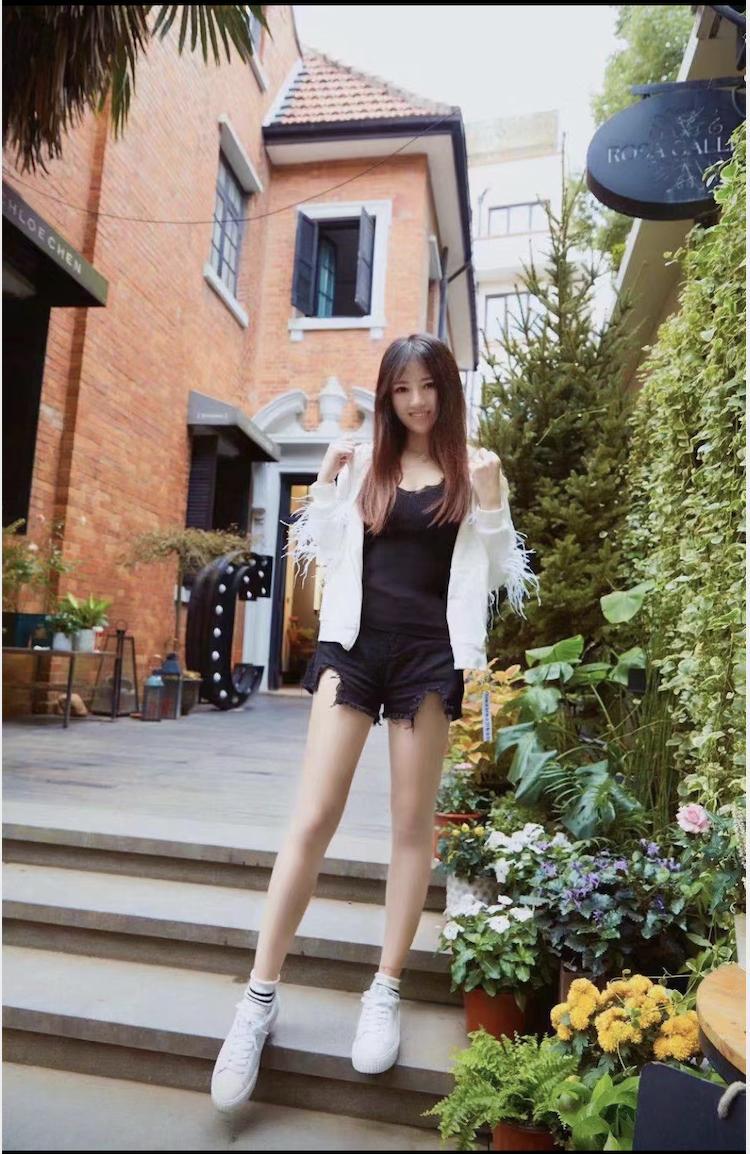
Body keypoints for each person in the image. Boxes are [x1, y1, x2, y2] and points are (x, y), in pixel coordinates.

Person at [210, 332, 539, 1114]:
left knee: (411, 827)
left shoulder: (474, 467)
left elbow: (500, 575)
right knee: (312, 818)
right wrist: (327, 485)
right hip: (352, 651)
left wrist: (493, 501)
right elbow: (324, 553)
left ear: (447, 390)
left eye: (429, 386)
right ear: (388, 395)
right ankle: (257, 1001)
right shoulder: (365, 464)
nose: (417, 401)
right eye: (402, 389)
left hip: (429, 658)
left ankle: (384, 989)